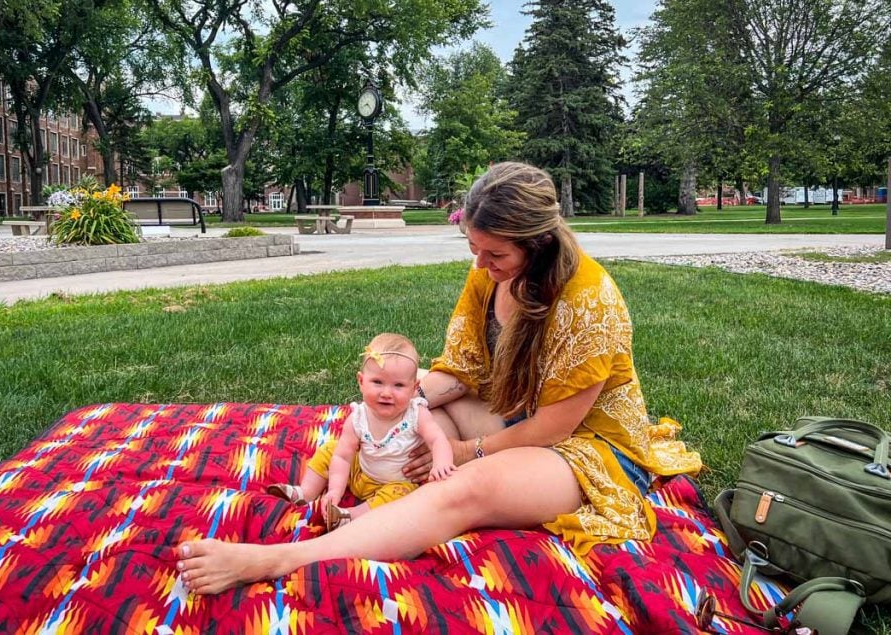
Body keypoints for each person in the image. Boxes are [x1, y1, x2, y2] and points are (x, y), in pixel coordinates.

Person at [174, 161, 701, 595]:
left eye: (495, 254)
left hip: (587, 450)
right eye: (475, 248)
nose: (481, 263)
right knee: (415, 395)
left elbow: (552, 431)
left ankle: (277, 559)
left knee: (469, 484)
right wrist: (403, 402)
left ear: (537, 244)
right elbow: (465, 368)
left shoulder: (589, 302)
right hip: (513, 411)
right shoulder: (488, 273)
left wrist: (472, 449)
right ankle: (390, 510)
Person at [266, 333, 456, 532]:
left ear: (414, 387)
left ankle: (351, 516)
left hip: (395, 482)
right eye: (378, 382)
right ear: (361, 381)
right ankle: (305, 493)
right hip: (359, 472)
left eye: (398, 385)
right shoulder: (358, 418)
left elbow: (437, 439)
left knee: (403, 496)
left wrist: (442, 463)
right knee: (331, 449)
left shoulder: (416, 414)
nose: (386, 393)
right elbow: (343, 457)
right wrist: (335, 491)